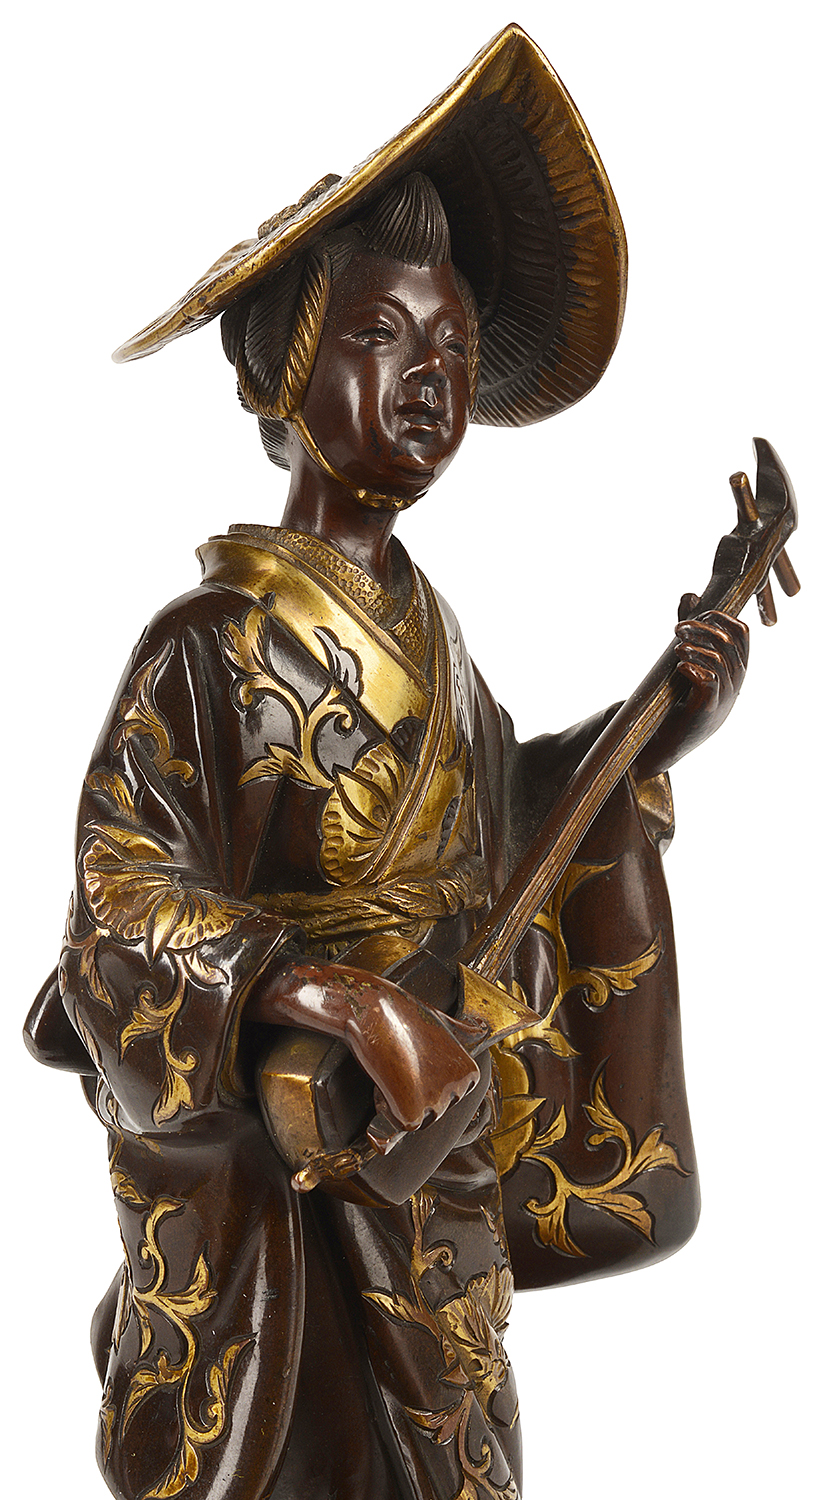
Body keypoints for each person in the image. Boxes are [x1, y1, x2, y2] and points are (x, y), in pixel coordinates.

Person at [24, 26, 749, 1500]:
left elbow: (498, 841)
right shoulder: (207, 649)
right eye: (380, 337)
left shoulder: (439, 645)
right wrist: (343, 1001)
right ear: (284, 367)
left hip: (432, 1190)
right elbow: (118, 913)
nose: (428, 378)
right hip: (285, 1198)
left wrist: (640, 741)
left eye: (454, 349)